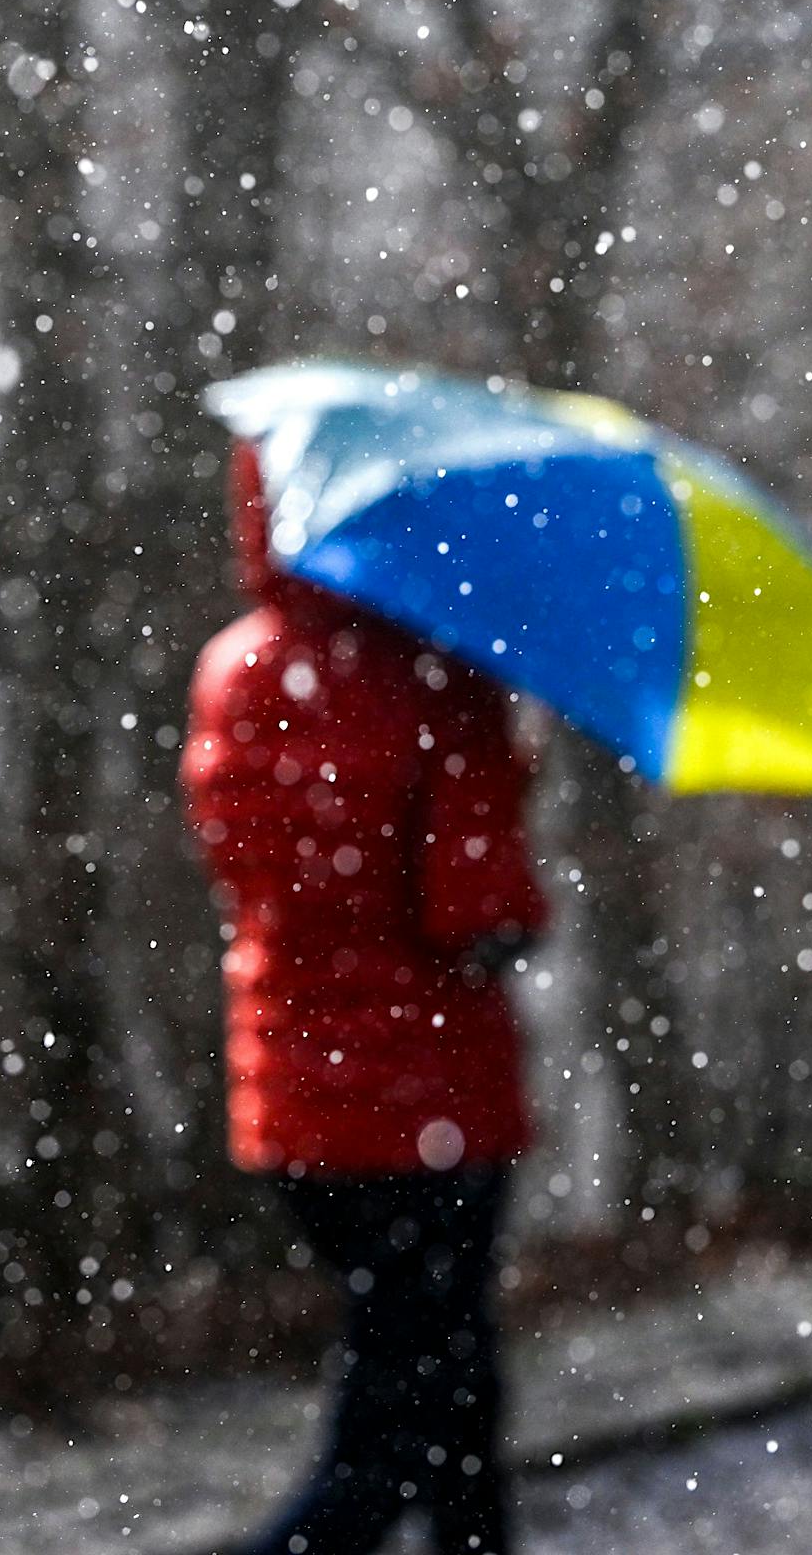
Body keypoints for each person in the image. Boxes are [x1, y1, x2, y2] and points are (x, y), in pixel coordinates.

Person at [180, 443, 546, 1555]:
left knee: (452, 1386)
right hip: (424, 1105)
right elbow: (480, 917)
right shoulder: (432, 676)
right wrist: (501, 765)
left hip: (296, 1105)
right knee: (398, 1435)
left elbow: (258, 872)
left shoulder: (234, 668)